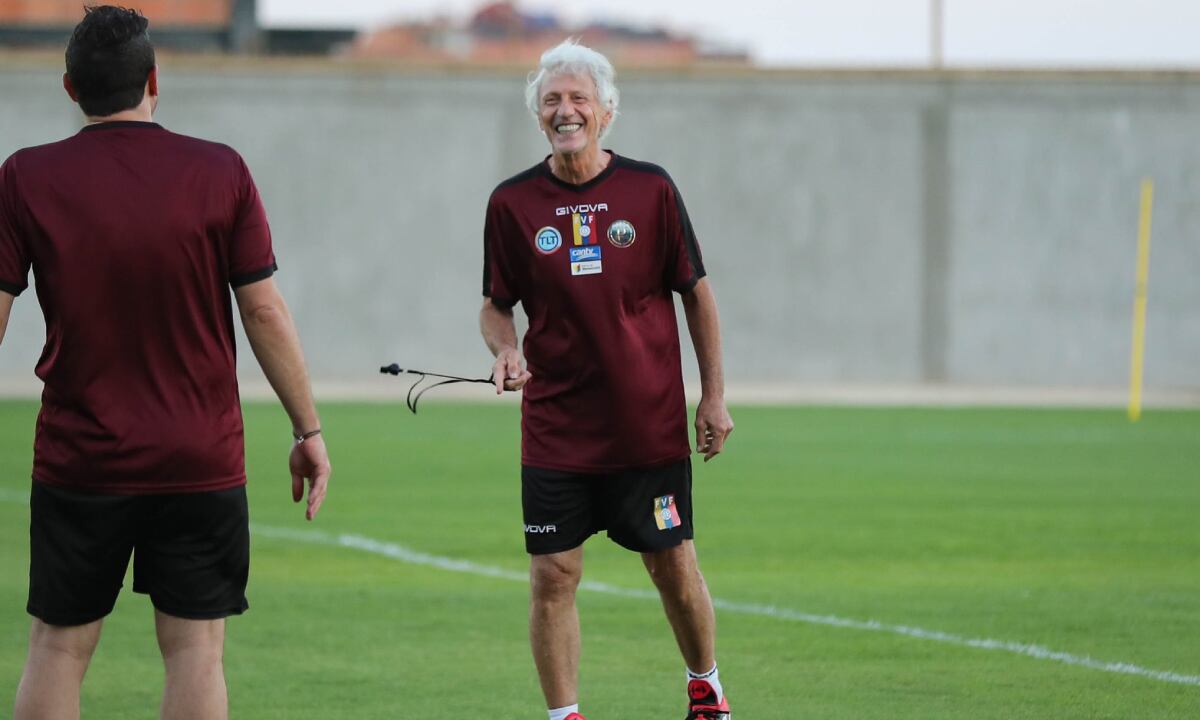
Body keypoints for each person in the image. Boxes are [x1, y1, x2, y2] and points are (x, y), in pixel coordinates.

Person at [0, 7, 331, 719]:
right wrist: (308, 430)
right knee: (194, 652)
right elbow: (264, 311)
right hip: (198, 456)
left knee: (57, 648)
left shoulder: (25, 176)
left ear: (69, 87)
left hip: (81, 457)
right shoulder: (220, 170)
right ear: (155, 80)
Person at [480, 39, 734, 720]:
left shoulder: (650, 190)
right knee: (552, 576)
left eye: (578, 99)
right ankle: (565, 716)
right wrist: (505, 350)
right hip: (557, 430)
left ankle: (706, 688)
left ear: (606, 112)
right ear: (539, 116)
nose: (566, 110)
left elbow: (696, 294)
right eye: (553, 100)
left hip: (644, 429)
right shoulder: (511, 204)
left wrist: (712, 395)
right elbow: (496, 304)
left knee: (672, 567)